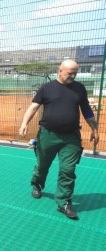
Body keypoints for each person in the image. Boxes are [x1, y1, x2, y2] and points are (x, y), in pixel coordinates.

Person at [19, 59, 99, 220]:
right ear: (60, 71)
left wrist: (94, 129)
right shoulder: (47, 88)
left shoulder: (79, 89)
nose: (73, 76)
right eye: (70, 73)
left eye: (75, 73)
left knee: (68, 170)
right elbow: (34, 106)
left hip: (71, 137)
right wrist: (24, 123)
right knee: (42, 165)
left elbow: (87, 110)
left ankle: (63, 202)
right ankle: (37, 185)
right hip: (48, 135)